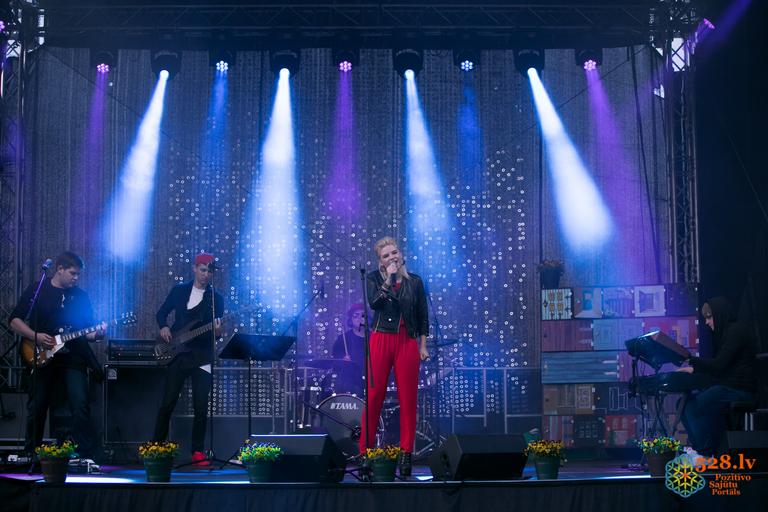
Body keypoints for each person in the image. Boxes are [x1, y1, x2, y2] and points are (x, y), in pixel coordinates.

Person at [9, 251, 105, 458]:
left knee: (80, 404)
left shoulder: (81, 296)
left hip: (73, 357)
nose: (76, 278)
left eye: (78, 274)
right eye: (72, 273)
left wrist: (98, 334)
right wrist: (35, 336)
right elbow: (15, 320)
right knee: (38, 405)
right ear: (59, 269)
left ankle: (84, 455)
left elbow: (88, 332)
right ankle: (31, 453)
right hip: (41, 355)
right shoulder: (37, 289)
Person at [359, 236, 429, 477]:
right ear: (381, 261)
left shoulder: (415, 282)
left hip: (407, 340)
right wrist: (388, 279)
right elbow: (375, 303)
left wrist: (423, 345)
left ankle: (406, 454)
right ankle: (366, 453)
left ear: (401, 254)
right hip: (381, 339)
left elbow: (422, 316)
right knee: (374, 396)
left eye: (394, 252)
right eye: (386, 255)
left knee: (408, 399)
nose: (392, 257)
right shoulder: (374, 279)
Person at [152, 253, 223, 466]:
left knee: (201, 406)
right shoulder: (179, 291)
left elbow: (216, 334)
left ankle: (197, 451)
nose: (205, 274)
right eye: (202, 270)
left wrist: (218, 332)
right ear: (194, 268)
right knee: (168, 402)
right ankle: (156, 446)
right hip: (179, 352)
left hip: (202, 356)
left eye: (209, 271)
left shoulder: (216, 299)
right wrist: (164, 327)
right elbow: (161, 314)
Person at [679, 296, 757, 457]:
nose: (707, 322)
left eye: (709, 317)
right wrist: (694, 368)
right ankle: (700, 449)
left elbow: (719, 364)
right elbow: (718, 367)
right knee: (683, 403)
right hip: (728, 387)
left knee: (694, 407)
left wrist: (692, 361)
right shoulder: (727, 333)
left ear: (719, 314)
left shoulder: (736, 332)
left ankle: (706, 453)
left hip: (739, 390)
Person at [327, 303, 366, 396]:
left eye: (363, 315)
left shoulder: (374, 338)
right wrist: (342, 360)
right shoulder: (343, 338)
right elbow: (335, 362)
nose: (359, 318)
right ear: (351, 319)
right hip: (349, 382)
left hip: (370, 380)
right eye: (356, 316)